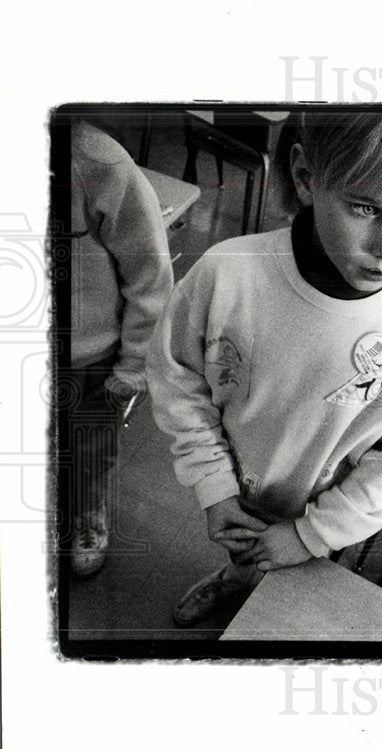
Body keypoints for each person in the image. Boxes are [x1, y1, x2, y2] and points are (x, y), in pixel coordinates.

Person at [146, 112, 382, 627]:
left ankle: (253, 594)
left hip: (328, 516)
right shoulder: (227, 273)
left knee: (286, 605)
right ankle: (237, 579)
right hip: (233, 486)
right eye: (365, 207)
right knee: (246, 555)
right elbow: (177, 377)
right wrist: (214, 483)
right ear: (304, 178)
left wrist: (309, 536)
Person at [68, 120, 174, 576]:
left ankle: (87, 513)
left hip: (90, 362)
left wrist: (132, 370)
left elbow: (152, 280)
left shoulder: (101, 164)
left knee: (89, 454)